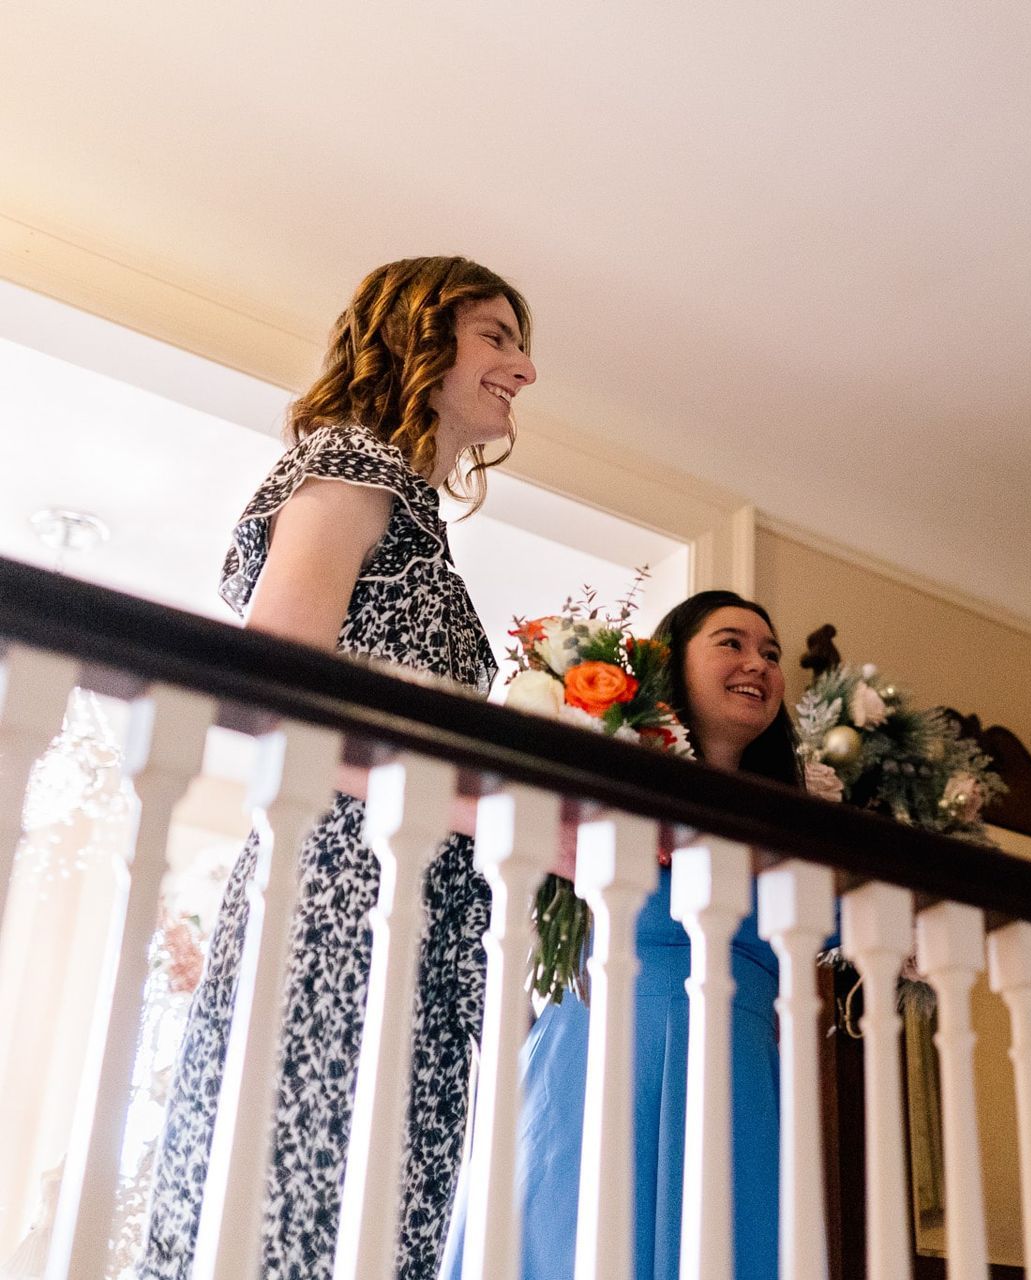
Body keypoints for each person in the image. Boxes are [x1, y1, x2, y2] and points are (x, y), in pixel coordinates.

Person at [141, 257, 536, 1280]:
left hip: (418, 918)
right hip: (342, 901)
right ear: (421, 336)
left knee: (377, 1216)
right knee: (298, 1209)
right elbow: (277, 693)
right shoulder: (353, 466)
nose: (523, 368)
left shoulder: (414, 513)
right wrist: (466, 803)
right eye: (496, 335)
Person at [441, 590, 802, 1280]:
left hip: (743, 1079)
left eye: (771, 653)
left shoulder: (795, 829)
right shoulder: (610, 773)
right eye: (732, 642)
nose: (757, 662)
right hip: (600, 1064)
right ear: (671, 662)